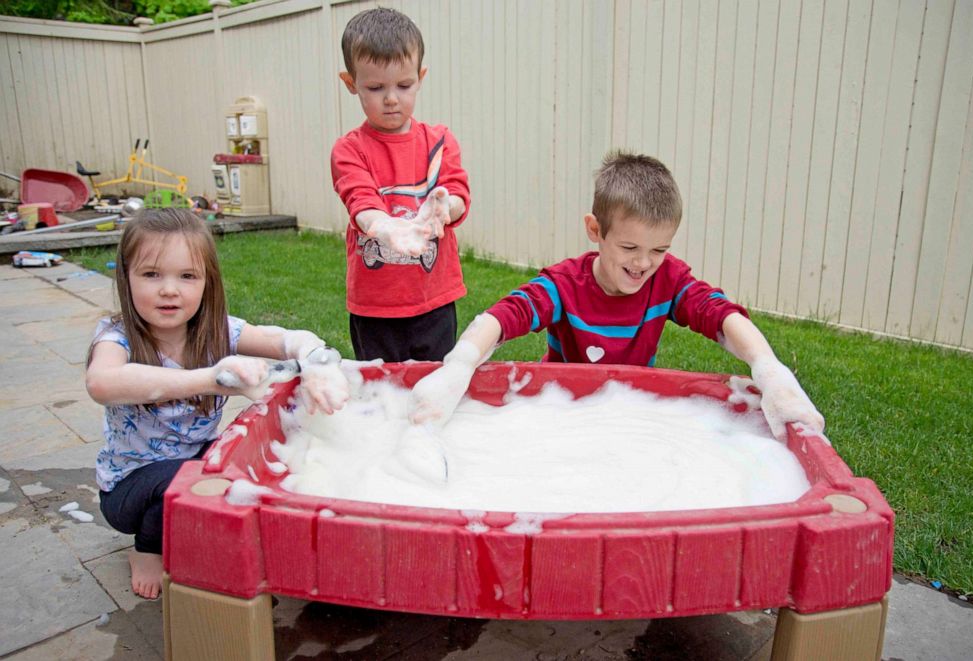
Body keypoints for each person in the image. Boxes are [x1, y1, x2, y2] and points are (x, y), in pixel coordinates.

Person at [409, 151, 824, 441]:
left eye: (659, 249)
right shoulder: (565, 285)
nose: (644, 264)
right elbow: (505, 316)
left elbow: (720, 316)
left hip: (629, 410)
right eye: (629, 248)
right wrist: (460, 365)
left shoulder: (668, 281)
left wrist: (768, 369)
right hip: (561, 410)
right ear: (596, 231)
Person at [85, 208, 349, 600]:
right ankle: (147, 549)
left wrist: (311, 353)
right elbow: (102, 383)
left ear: (207, 282)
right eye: (151, 274)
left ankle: (212, 533)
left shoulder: (216, 332)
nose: (169, 290)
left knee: (247, 461)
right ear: (126, 279)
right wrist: (211, 379)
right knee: (190, 474)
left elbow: (280, 338)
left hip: (193, 462)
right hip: (129, 489)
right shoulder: (116, 336)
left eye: (187, 276)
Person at [331, 6, 471, 362]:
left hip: (434, 300)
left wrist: (444, 207)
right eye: (376, 87)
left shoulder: (439, 141)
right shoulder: (350, 149)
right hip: (375, 307)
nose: (391, 98)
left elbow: (457, 194)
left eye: (404, 85)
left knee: (435, 383)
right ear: (351, 83)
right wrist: (384, 226)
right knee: (382, 392)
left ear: (420, 77)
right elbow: (359, 200)